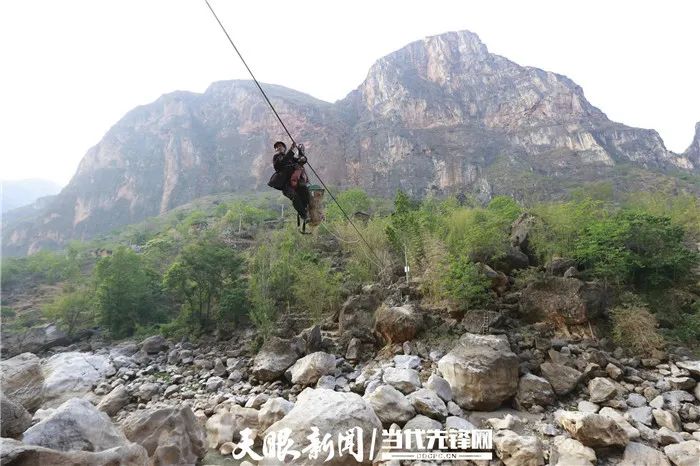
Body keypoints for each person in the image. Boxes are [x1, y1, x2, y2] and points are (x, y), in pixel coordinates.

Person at [267, 140, 310, 221]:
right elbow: (282, 163)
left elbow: (301, 160)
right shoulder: (276, 158)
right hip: (285, 185)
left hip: (296, 182)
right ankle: (304, 216)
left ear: (284, 148)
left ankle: (306, 209)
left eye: (280, 146)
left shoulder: (291, 158)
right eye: (276, 147)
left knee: (304, 189)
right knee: (294, 196)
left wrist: (302, 156)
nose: (278, 148)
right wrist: (291, 150)